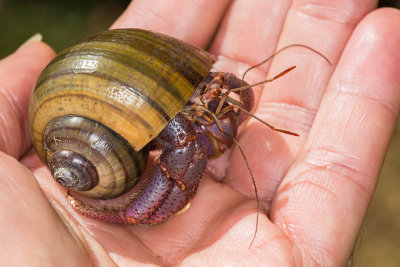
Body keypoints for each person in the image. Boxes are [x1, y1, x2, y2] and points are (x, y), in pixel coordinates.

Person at [1, 1, 399, 265]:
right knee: (183, 137)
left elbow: (232, 90)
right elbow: (181, 135)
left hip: (126, 116)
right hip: (111, 135)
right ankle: (145, 209)